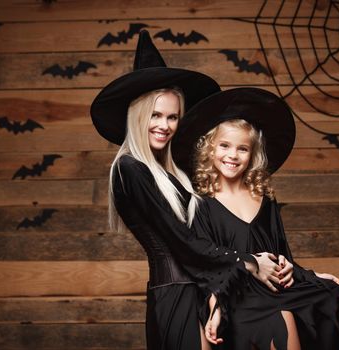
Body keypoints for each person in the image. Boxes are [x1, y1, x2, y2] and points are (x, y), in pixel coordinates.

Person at [90, 32, 290, 350]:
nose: (164, 125)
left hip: (208, 290)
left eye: (173, 117)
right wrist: (251, 261)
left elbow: (214, 230)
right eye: (155, 115)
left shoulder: (177, 172)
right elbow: (181, 241)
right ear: (138, 116)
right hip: (177, 293)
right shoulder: (130, 169)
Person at [172, 88, 339, 350]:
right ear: (209, 150)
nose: (232, 156)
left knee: (328, 295)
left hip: (272, 288)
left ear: (252, 154)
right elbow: (204, 265)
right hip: (232, 293)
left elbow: (280, 252)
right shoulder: (200, 203)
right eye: (224, 146)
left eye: (242, 148)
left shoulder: (264, 197)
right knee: (278, 319)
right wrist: (215, 306)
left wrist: (299, 271)